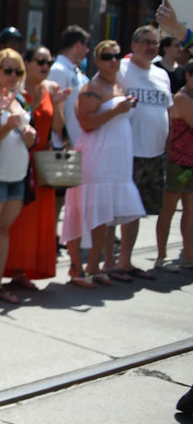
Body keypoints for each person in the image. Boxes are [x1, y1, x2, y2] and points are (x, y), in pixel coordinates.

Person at [60, 41, 146, 286]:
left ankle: (96, 266)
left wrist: (123, 107)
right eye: (107, 56)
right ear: (97, 60)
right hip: (96, 158)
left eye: (117, 56)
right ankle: (79, 267)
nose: (113, 60)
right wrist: (117, 110)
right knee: (86, 213)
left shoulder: (118, 85)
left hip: (117, 161)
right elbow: (86, 123)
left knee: (105, 216)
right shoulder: (91, 88)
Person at [0, 49, 38, 304]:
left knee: (2, 230)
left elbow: (25, 139)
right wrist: (7, 128)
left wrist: (31, 139)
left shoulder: (21, 99)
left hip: (18, 176)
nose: (13, 76)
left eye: (18, 71)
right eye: (8, 70)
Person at [2, 45, 66, 290]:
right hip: (20, 158)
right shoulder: (16, 91)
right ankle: (7, 268)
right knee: (17, 219)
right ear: (26, 63)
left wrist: (58, 104)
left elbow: (58, 128)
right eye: (40, 61)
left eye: (49, 62)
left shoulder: (51, 89)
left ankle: (23, 271)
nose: (45, 66)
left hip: (43, 162)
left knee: (38, 221)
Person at [117, 25, 170, 280]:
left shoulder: (162, 75)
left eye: (155, 43)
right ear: (134, 45)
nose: (151, 47)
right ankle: (109, 263)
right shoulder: (121, 70)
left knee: (137, 211)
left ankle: (125, 260)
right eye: (146, 42)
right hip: (128, 153)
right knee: (119, 209)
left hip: (155, 155)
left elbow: (167, 113)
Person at [48, 25, 91, 281]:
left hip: (75, 144)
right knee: (57, 197)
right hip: (60, 144)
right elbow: (57, 103)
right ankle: (51, 238)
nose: (86, 50)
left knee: (64, 198)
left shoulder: (74, 70)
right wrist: (62, 136)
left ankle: (58, 237)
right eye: (85, 45)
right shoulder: (59, 69)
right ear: (77, 44)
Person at [160, 72, 193, 271]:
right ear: (188, 75)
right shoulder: (182, 98)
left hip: (190, 164)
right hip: (178, 163)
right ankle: (161, 256)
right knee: (169, 209)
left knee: (190, 211)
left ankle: (188, 256)